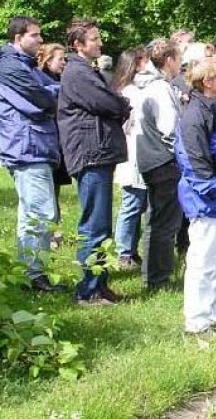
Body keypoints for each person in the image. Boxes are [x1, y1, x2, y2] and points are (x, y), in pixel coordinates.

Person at [58, 19, 131, 305]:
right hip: (90, 153)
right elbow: (110, 103)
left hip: (98, 152)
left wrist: (117, 103)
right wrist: (121, 105)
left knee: (101, 224)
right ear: (78, 45)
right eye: (94, 39)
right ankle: (88, 290)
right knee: (94, 224)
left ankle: (99, 284)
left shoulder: (86, 70)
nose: (100, 43)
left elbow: (111, 100)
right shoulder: (77, 72)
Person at [174, 58, 216, 334]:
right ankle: (197, 320)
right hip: (207, 199)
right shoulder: (194, 116)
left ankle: (214, 314)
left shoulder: (215, 112)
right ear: (208, 82)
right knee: (202, 261)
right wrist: (212, 189)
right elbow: (193, 159)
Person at [0, 16, 64, 292]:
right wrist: (51, 94)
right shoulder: (10, 66)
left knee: (31, 214)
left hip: (35, 144)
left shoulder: (25, 65)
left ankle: (29, 274)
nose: (40, 40)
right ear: (18, 38)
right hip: (27, 146)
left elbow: (51, 90)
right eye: (35, 35)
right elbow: (40, 100)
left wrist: (52, 92)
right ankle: (34, 276)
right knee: (41, 213)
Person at [135, 39, 184, 290]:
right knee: (165, 223)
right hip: (164, 162)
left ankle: (152, 276)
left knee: (157, 221)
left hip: (151, 160)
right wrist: (183, 158)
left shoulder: (153, 86)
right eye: (179, 57)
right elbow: (170, 130)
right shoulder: (161, 89)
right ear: (169, 60)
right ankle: (158, 279)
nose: (182, 63)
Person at [112, 47, 149, 269]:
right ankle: (123, 251)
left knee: (139, 202)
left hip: (140, 149)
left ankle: (131, 250)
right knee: (132, 203)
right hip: (131, 150)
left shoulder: (135, 89)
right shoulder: (128, 91)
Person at [36, 43, 71, 233]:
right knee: (46, 187)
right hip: (48, 139)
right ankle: (50, 229)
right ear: (48, 60)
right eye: (60, 59)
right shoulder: (42, 81)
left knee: (55, 185)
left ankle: (54, 227)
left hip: (59, 139)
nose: (64, 63)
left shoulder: (62, 79)